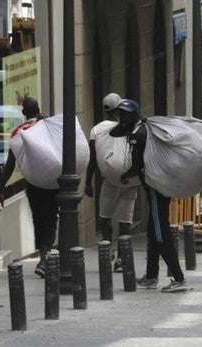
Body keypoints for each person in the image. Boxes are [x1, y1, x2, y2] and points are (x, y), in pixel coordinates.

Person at [116, 99, 188, 293]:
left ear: (134, 115)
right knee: (152, 230)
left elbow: (137, 165)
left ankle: (178, 278)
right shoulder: (145, 130)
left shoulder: (138, 134)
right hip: (160, 186)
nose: (121, 118)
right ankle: (151, 276)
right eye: (120, 114)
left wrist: (125, 175)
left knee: (160, 232)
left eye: (125, 114)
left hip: (155, 189)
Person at [0, 97, 58, 278]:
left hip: (34, 184)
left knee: (38, 220)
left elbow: (9, 165)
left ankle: (43, 256)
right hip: (53, 183)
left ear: (23, 113)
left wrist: (0, 190)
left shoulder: (18, 132)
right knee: (51, 219)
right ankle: (45, 257)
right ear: (39, 109)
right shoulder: (46, 124)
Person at [84, 93, 141, 273]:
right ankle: (122, 258)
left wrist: (88, 183)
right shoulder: (131, 127)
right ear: (119, 110)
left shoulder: (97, 130)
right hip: (130, 182)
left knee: (105, 217)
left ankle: (107, 249)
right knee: (125, 221)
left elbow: (92, 160)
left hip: (108, 181)